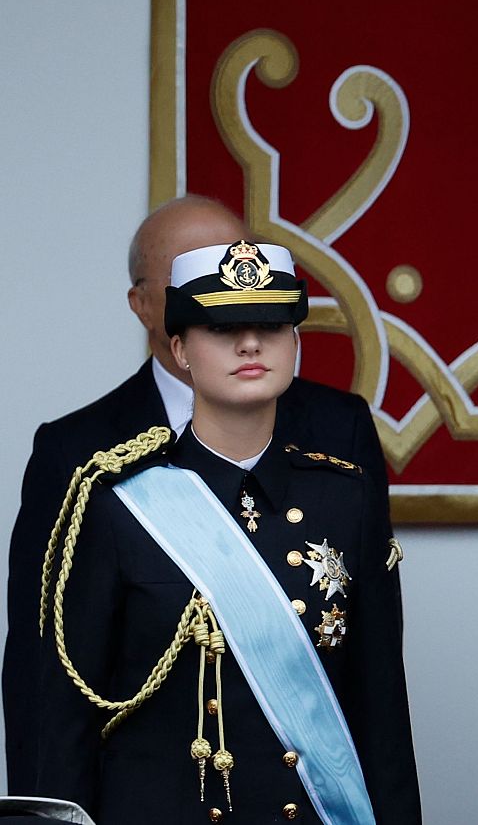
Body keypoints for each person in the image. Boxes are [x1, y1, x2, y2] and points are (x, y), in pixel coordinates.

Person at [4, 197, 386, 792]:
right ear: (145, 306)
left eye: (243, 265)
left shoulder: (340, 430)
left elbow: (374, 678)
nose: (233, 289)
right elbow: (47, 684)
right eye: (197, 279)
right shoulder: (76, 452)